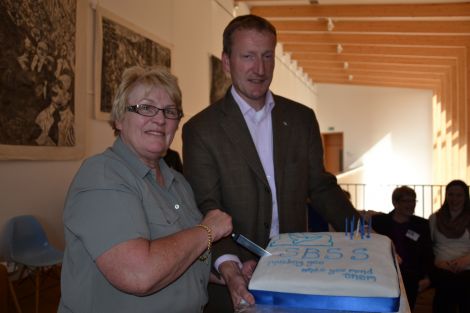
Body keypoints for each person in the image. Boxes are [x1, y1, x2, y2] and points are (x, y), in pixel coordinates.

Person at [182, 14, 359, 312]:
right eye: (248, 56)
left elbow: (320, 186)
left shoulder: (302, 119)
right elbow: (206, 207)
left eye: (267, 56)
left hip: (296, 279)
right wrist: (229, 266)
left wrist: (362, 231)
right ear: (227, 62)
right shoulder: (202, 130)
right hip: (235, 282)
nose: (260, 69)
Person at [59, 66, 233, 313]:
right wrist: (208, 230)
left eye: (170, 111)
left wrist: (226, 270)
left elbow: (183, 255)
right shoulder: (102, 176)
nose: (160, 119)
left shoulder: (178, 183)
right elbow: (138, 274)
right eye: (146, 107)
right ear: (119, 118)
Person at [372, 186, 434, 311]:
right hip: (385, 273)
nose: (410, 205)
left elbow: (427, 252)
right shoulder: (379, 222)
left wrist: (428, 278)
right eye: (406, 201)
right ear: (395, 203)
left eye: (413, 201)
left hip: (411, 275)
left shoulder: (421, 225)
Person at [429, 179, 470, 313]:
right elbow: (430, 246)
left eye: (459, 195)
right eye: (451, 194)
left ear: (465, 197)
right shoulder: (434, 218)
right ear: (446, 196)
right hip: (442, 268)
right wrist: (439, 262)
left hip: (467, 268)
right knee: (444, 297)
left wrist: (465, 261)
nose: (454, 199)